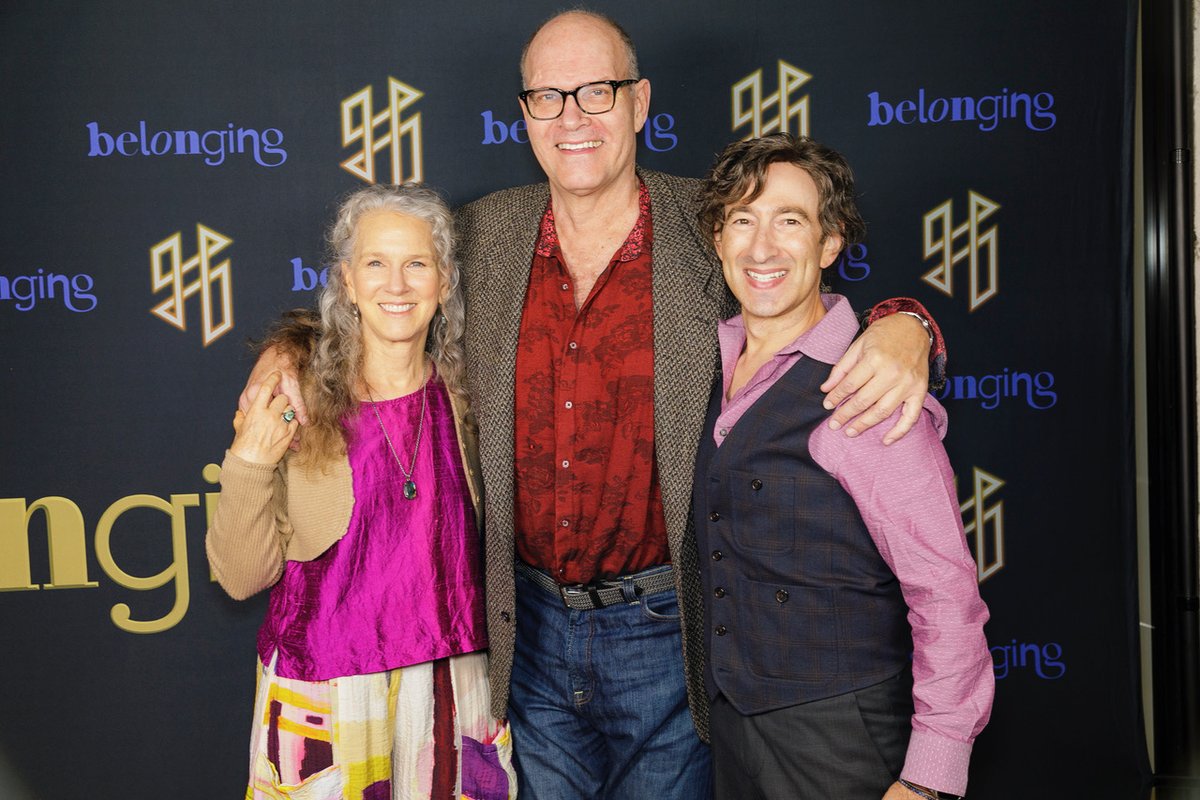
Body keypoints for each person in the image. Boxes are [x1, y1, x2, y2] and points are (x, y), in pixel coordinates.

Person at [242, 11, 944, 798]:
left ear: (640, 103)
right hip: (526, 633)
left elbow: (798, 295)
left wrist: (906, 324)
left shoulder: (705, 225)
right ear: (526, 115)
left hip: (667, 634)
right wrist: (290, 345)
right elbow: (385, 294)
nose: (573, 117)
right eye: (549, 96)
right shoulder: (483, 233)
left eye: (598, 92)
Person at [692, 132, 993, 800]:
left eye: (789, 221)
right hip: (732, 733)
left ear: (830, 244)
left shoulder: (870, 390)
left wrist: (927, 778)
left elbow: (945, 593)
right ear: (717, 238)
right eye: (743, 219)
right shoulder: (699, 368)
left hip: (842, 739)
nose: (762, 247)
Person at [208, 184, 516, 800]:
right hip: (329, 695)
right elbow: (240, 577)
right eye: (376, 263)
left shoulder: (472, 390)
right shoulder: (293, 399)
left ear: (446, 281)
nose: (396, 285)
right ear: (346, 281)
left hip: (456, 688)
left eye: (417, 264)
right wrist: (248, 459)